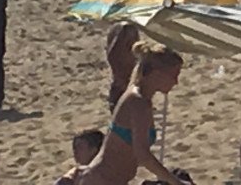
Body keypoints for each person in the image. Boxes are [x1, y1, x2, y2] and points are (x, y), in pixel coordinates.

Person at [78, 43, 188, 185]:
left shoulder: (142, 99)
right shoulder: (137, 101)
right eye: (173, 75)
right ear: (157, 73)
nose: (176, 82)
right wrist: (175, 182)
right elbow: (143, 155)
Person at [106, 23, 140, 111]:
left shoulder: (132, 28)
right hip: (121, 66)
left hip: (128, 65)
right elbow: (112, 53)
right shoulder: (123, 30)